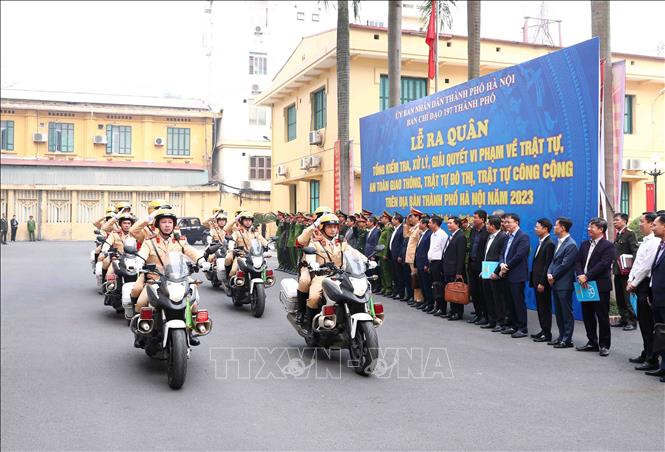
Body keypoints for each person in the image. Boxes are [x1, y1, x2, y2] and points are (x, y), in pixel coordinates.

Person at [135, 209, 210, 346]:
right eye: (164, 222)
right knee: (141, 303)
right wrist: (139, 262)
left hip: (178, 279)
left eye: (170, 222)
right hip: (155, 279)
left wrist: (201, 261)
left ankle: (189, 331)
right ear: (157, 225)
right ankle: (142, 332)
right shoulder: (149, 242)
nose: (167, 225)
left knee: (193, 304)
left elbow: (191, 251)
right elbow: (142, 254)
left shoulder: (180, 241)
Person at [296, 213, 366, 335]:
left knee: (355, 292)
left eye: (335, 227)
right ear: (323, 228)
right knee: (313, 298)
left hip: (340, 275)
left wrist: (367, 260)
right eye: (329, 227)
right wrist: (313, 263)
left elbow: (353, 252)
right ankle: (309, 325)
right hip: (321, 275)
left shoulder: (341, 243)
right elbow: (310, 255)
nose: (333, 229)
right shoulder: (315, 242)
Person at [574, 217, 615, 356]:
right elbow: (578, 261)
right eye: (589, 226)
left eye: (592, 227)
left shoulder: (608, 245)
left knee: (602, 316)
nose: (588, 229)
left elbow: (603, 264)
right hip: (584, 284)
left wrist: (587, 276)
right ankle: (592, 341)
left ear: (601, 229)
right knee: (588, 315)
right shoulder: (584, 244)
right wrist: (580, 275)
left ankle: (604, 345)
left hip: (599, 285)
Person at [626, 212, 660, 370]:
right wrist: (630, 280)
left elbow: (646, 266)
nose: (639, 224)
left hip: (645, 284)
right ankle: (646, 352)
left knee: (649, 323)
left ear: (652, 224)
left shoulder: (655, 242)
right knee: (644, 323)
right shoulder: (644, 242)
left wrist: (634, 283)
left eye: (642, 222)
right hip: (638, 283)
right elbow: (636, 264)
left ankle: (652, 358)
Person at [493, 213, 530, 336]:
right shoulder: (508, 236)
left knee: (518, 302)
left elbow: (519, 255)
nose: (506, 224)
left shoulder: (523, 236)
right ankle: (514, 326)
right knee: (509, 302)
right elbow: (502, 253)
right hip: (506, 273)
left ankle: (522, 328)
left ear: (517, 223)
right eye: (505, 222)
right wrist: (502, 264)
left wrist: (506, 266)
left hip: (516, 274)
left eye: (509, 222)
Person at [547, 217, 579, 348]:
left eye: (556, 226)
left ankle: (567, 339)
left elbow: (565, 265)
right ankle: (561, 336)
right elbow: (554, 261)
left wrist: (553, 275)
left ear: (563, 228)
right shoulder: (558, 242)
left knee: (566, 312)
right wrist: (549, 273)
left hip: (564, 284)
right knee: (559, 312)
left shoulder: (571, 244)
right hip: (555, 282)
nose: (554, 228)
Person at [645, 213, 665, 382]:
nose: (653, 227)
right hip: (657, 297)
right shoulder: (661, 245)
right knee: (661, 333)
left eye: (655, 225)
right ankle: (663, 367)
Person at [612, 213, 639, 330]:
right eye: (613, 220)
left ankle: (632, 321)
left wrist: (630, 268)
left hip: (626, 272)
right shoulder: (618, 235)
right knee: (620, 297)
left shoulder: (630, 234)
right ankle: (624, 319)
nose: (614, 222)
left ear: (624, 221)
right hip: (617, 271)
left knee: (626, 298)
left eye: (617, 220)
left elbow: (635, 252)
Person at [530, 218, 555, 342]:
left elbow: (547, 265)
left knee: (545, 307)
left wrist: (542, 282)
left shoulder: (549, 244)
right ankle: (543, 330)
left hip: (542, 282)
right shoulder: (541, 242)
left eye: (537, 227)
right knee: (540, 307)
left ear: (545, 229)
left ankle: (547, 333)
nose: (535, 229)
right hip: (536, 280)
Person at [224, 211, 268, 279]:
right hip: (241, 255)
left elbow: (262, 240)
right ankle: (229, 280)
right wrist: (231, 247)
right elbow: (231, 239)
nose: (248, 222)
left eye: (250, 220)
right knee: (233, 270)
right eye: (246, 220)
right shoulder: (237, 232)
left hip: (253, 256)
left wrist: (267, 245)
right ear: (242, 221)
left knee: (264, 267)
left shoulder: (255, 232)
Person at [482, 215, 507, 331]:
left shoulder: (502, 237)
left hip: (496, 272)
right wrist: (484, 270)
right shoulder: (489, 236)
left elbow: (501, 256)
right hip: (487, 269)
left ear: (492, 226)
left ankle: (500, 322)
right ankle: (491, 320)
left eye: (488, 224)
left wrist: (497, 272)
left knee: (498, 298)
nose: (486, 226)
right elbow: (488, 254)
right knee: (488, 297)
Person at [443, 216, 468, 320]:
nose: (448, 225)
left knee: (457, 291)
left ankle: (458, 312)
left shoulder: (460, 236)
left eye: (451, 223)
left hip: (455, 269)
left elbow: (461, 256)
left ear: (457, 224)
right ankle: (452, 311)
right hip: (448, 268)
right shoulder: (452, 235)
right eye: (448, 223)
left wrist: (458, 272)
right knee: (451, 290)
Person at [467, 209, 489, 325]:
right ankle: (478, 313)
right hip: (472, 264)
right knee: (474, 291)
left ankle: (485, 315)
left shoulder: (487, 232)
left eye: (475, 217)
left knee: (483, 292)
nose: (473, 219)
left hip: (483, 266)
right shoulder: (473, 231)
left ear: (482, 219)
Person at [423, 216, 449, 315]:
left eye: (430, 223)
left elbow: (444, 251)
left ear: (435, 224)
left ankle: (442, 308)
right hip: (432, 262)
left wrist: (442, 266)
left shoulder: (442, 235)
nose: (428, 224)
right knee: (434, 286)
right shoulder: (433, 235)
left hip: (439, 263)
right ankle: (437, 306)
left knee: (439, 286)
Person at [404, 208, 424, 305]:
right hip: (410, 257)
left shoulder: (419, 229)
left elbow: (419, 244)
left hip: (414, 257)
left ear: (417, 217)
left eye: (412, 217)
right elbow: (406, 235)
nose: (410, 218)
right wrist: (407, 224)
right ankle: (416, 298)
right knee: (413, 278)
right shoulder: (414, 228)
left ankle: (419, 299)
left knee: (416, 278)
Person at [414, 216, 433, 309]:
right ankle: (425, 301)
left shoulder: (429, 234)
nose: (419, 224)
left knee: (426, 284)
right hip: (419, 262)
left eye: (420, 223)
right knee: (422, 284)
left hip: (424, 264)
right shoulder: (423, 234)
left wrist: (427, 264)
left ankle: (430, 303)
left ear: (425, 224)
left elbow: (428, 251)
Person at [389, 213, 406, 299]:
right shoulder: (395, 229)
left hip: (398, 256)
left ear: (397, 220)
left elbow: (402, 244)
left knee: (399, 276)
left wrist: (400, 255)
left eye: (393, 219)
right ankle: (396, 291)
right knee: (394, 275)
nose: (391, 221)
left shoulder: (402, 229)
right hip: (392, 255)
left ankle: (401, 293)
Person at [378, 212, 394, 295]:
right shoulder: (384, 227)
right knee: (382, 271)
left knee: (387, 271)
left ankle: (388, 287)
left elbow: (388, 241)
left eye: (383, 218)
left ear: (387, 219)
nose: (381, 219)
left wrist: (385, 253)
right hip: (380, 252)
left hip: (384, 253)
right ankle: (384, 287)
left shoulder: (389, 228)